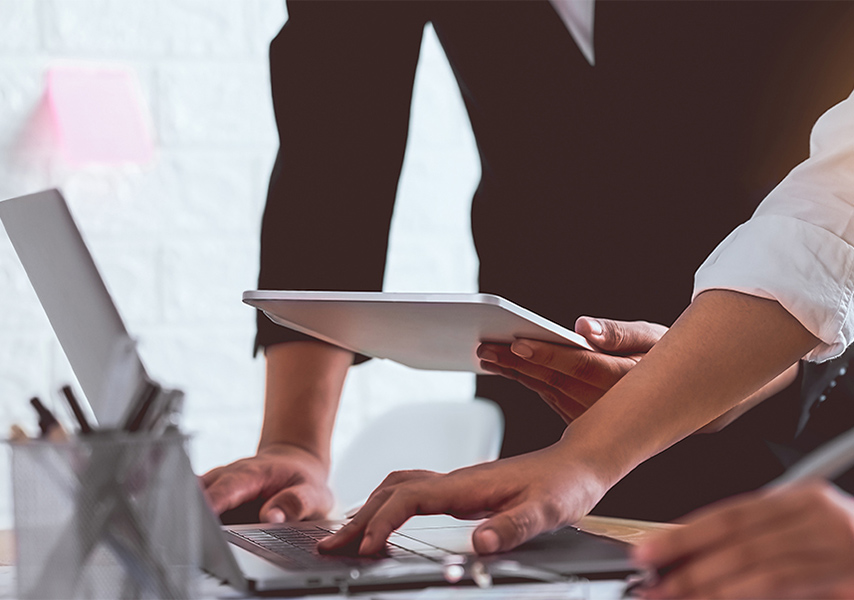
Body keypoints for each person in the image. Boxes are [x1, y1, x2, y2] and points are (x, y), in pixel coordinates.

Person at [202, 1, 854, 525]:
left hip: (810, 407)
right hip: (545, 397)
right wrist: (296, 443)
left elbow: (830, 217)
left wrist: (618, 438)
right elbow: (334, 140)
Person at [317, 87, 854, 562]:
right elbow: (820, 231)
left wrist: (586, 456)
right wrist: (586, 456)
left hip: (787, 454)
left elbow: (825, 238)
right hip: (588, 453)